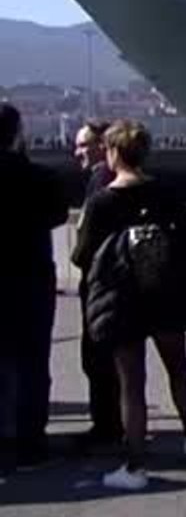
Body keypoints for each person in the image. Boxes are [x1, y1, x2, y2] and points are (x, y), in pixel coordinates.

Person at [72, 120, 186, 490]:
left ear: (113, 153)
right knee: (178, 367)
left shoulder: (103, 201)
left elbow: (81, 254)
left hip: (123, 299)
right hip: (166, 292)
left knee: (132, 383)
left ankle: (135, 466)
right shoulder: (165, 192)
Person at [0, 105, 69, 474]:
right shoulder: (40, 177)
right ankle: (30, 441)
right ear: (17, 133)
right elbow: (58, 215)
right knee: (32, 362)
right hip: (30, 276)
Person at [72, 121, 124, 450]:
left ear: (103, 146)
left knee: (97, 356)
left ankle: (106, 426)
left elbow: (86, 235)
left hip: (99, 280)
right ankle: (116, 422)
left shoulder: (100, 179)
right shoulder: (114, 179)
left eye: (84, 144)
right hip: (119, 280)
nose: (77, 151)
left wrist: (80, 259)